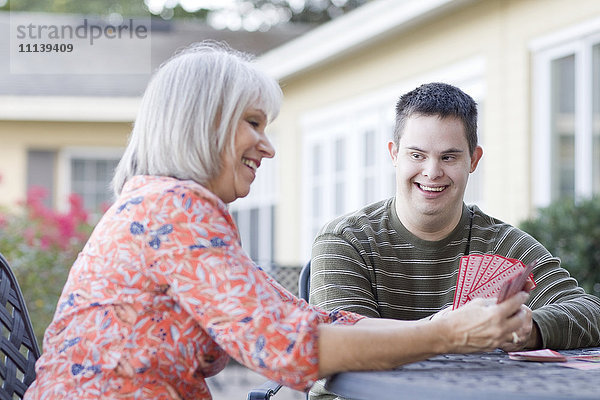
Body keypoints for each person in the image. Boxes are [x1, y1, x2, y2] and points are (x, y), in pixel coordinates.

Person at [25, 44, 532, 400]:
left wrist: (443, 325)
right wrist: (446, 335)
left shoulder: (165, 207)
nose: (268, 145)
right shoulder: (173, 209)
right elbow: (292, 349)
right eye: (252, 123)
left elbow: (310, 321)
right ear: (204, 121)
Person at [310, 82, 600, 398]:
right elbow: (346, 346)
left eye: (449, 157)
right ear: (394, 154)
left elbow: (591, 310)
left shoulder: (502, 244)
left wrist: (529, 329)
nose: (432, 172)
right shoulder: (346, 241)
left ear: (473, 160)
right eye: (417, 155)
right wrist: (447, 329)